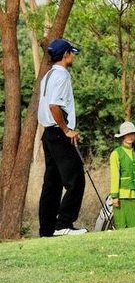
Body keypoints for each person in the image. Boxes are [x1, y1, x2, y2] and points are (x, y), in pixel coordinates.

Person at [37, 37, 87, 237]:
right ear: (65, 54)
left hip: (48, 133)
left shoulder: (48, 75)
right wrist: (66, 130)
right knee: (76, 179)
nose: (73, 56)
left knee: (52, 183)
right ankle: (63, 224)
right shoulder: (62, 75)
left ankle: (47, 230)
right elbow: (54, 106)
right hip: (59, 133)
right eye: (71, 53)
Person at [109, 121, 135, 228]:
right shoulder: (116, 154)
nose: (130, 136)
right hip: (122, 197)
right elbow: (115, 176)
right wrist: (115, 197)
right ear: (122, 136)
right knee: (123, 225)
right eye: (127, 134)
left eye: (132, 134)